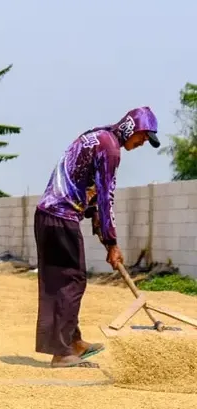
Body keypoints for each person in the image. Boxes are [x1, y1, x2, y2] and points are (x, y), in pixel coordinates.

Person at [34, 106, 160, 368]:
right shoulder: (110, 149)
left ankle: (72, 342)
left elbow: (88, 191)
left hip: (49, 216)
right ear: (131, 128)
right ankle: (62, 352)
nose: (142, 143)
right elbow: (105, 198)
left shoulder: (98, 136)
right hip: (60, 217)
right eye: (143, 137)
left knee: (61, 282)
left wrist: (102, 231)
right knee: (72, 281)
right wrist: (112, 243)